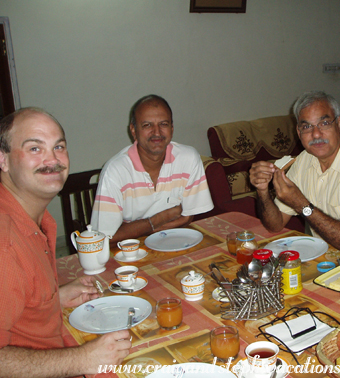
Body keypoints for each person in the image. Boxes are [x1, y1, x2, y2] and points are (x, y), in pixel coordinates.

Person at [0, 108, 131, 377]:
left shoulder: (31, 217)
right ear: (3, 160)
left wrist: (51, 299)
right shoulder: (5, 243)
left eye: (59, 146)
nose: (52, 159)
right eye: (35, 148)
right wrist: (82, 359)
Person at [249, 91, 340, 260]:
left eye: (325, 123)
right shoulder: (304, 161)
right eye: (307, 127)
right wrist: (262, 191)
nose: (316, 134)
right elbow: (275, 225)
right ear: (299, 133)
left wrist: (302, 204)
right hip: (327, 252)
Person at [91, 95, 213, 244]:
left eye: (163, 124)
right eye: (147, 125)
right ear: (133, 131)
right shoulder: (115, 171)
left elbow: (187, 217)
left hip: (175, 244)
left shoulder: (188, 159)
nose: (157, 132)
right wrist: (163, 217)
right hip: (130, 252)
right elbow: (105, 238)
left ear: (172, 128)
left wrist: (132, 229)